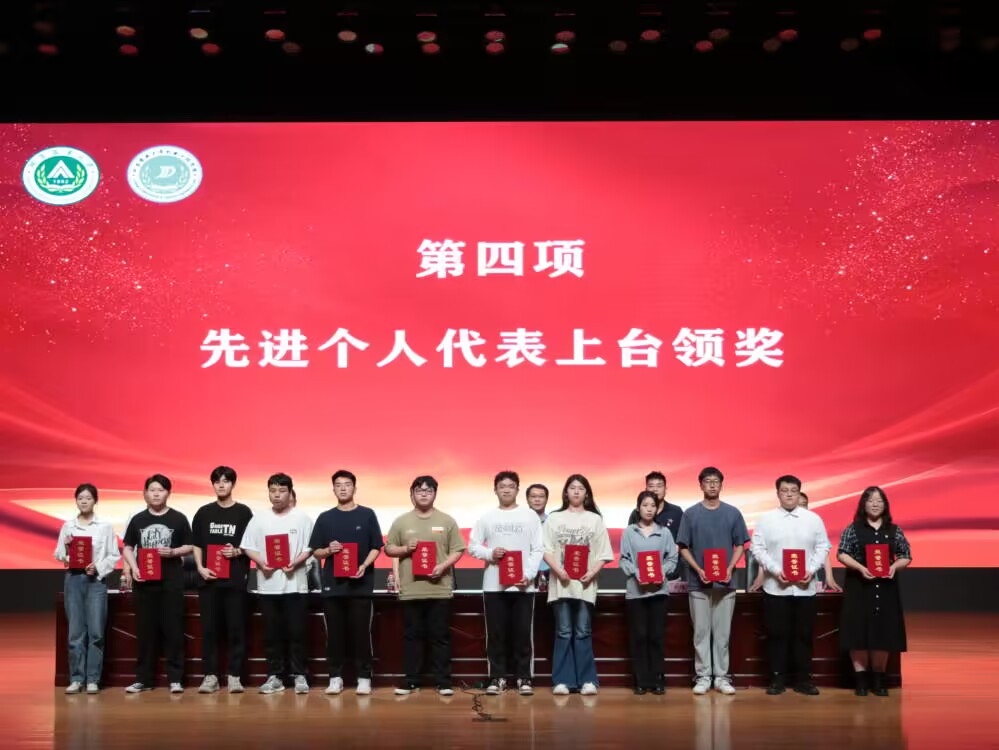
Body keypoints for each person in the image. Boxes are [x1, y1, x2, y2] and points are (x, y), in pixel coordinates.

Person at [750, 475, 831, 696]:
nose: (789, 494)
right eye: (784, 490)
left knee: (803, 634)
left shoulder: (813, 519)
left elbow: (823, 547)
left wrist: (811, 570)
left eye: (793, 491)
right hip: (775, 588)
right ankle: (777, 679)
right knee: (777, 634)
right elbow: (757, 548)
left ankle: (803, 679)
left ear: (799, 492)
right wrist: (775, 570)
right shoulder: (766, 519)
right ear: (777, 493)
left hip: (805, 588)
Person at [385, 476, 465, 696]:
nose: (424, 494)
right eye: (419, 490)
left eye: (429, 490)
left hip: (439, 588)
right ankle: (411, 681)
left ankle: (444, 682)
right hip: (411, 590)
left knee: (440, 637)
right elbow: (389, 548)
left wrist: (443, 566)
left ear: (435, 494)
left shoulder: (447, 520)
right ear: (411, 494)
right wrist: (405, 549)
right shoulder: (401, 521)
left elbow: (458, 549)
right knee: (412, 637)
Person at [469, 471, 544, 696]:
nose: (506, 490)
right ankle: (497, 677)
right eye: (502, 486)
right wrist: (491, 553)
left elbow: (538, 548)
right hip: (494, 586)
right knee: (496, 633)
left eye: (511, 486)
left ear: (517, 490)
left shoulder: (530, 516)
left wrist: (529, 575)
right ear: (495, 490)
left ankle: (524, 677)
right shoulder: (487, 517)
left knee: (523, 633)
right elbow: (473, 546)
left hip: (523, 586)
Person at [676, 467, 749, 695]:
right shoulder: (690, 514)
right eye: (707, 481)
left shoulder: (732, 513)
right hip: (699, 583)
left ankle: (722, 677)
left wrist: (730, 567)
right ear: (701, 485)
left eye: (716, 481)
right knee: (701, 632)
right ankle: (703, 676)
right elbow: (683, 547)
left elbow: (740, 545)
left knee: (722, 634)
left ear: (721, 485)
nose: (712, 485)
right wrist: (698, 569)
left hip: (726, 583)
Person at [309, 470, 383, 696]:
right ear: (333, 489)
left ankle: (364, 677)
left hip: (361, 586)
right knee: (335, 635)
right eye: (338, 485)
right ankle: (335, 677)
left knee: (361, 634)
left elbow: (376, 547)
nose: (343, 488)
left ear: (354, 488)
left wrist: (364, 565)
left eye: (347, 484)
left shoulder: (367, 514)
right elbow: (316, 551)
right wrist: (328, 550)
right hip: (333, 587)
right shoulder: (325, 517)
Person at [240, 473, 314, 695]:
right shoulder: (259, 519)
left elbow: (310, 547)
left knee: (297, 633)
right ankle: (275, 676)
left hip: (296, 586)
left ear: (290, 493)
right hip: (268, 586)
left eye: (282, 491)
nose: (277, 495)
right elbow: (247, 546)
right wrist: (261, 562)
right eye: (273, 491)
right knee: (272, 634)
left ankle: (300, 675)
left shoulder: (302, 518)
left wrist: (296, 562)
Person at [542, 474, 614, 696]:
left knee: (583, 631)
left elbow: (604, 553)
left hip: (585, 585)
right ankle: (562, 681)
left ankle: (587, 680)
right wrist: (559, 571)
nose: (576, 491)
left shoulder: (595, 520)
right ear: (566, 492)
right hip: (561, 583)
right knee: (563, 631)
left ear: (587, 494)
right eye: (572, 488)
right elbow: (545, 550)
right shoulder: (554, 518)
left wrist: (592, 572)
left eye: (580, 488)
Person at [121, 474, 193, 693]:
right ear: (145, 493)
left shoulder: (178, 518)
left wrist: (173, 552)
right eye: (152, 490)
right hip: (144, 584)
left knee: (173, 630)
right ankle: (143, 679)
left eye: (160, 490)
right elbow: (127, 547)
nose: (155, 494)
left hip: (171, 582)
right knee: (145, 632)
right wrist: (134, 567)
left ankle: (175, 679)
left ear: (168, 493)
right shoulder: (138, 519)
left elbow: (190, 546)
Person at [837, 486, 911, 697]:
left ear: (885, 505)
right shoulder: (853, 529)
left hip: (885, 588)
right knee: (858, 632)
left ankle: (878, 679)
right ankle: (861, 680)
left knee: (882, 632)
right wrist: (861, 568)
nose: (875, 504)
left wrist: (894, 567)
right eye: (870, 500)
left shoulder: (894, 530)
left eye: (879, 501)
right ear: (864, 505)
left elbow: (906, 555)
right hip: (858, 587)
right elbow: (842, 553)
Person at [191, 466, 253, 694]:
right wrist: (200, 567)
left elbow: (251, 545)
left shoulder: (244, 513)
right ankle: (210, 677)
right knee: (209, 631)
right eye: (217, 481)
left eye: (226, 481)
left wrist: (237, 551)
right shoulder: (203, 512)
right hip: (209, 581)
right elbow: (197, 544)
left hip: (235, 581)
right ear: (213, 484)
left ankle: (235, 676)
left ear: (232, 484)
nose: (221, 485)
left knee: (236, 629)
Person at [54, 483, 120, 694]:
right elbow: (59, 554)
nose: (84, 501)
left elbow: (114, 555)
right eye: (80, 498)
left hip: (95, 583)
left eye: (88, 498)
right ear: (76, 501)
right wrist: (67, 547)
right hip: (74, 580)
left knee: (96, 633)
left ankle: (93, 679)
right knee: (75, 633)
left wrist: (97, 567)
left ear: (95, 501)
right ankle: (76, 678)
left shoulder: (105, 527)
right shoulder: (68, 526)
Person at [619, 490, 679, 695]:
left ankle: (658, 678)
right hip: (636, 593)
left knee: (656, 636)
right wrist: (638, 573)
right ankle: (641, 679)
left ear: (657, 509)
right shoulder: (629, 532)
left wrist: (661, 572)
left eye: (653, 505)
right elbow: (624, 559)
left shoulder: (665, 532)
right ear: (638, 508)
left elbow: (672, 559)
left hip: (659, 592)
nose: (649, 509)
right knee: (639, 636)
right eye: (645, 505)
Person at [749, 491, 842, 594]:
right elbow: (767, 553)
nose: (801, 508)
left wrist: (829, 577)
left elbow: (823, 552)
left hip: (807, 580)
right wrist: (760, 576)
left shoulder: (814, 522)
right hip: (779, 583)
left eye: (804, 504)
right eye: (799, 505)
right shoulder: (777, 524)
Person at [626, 471, 683, 541]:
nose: (655, 489)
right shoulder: (636, 513)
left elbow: (682, 539)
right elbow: (630, 538)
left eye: (659, 486)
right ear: (646, 490)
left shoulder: (676, 511)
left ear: (665, 489)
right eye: (651, 486)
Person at [526, 483, 551, 585]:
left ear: (546, 499)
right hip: (526, 570)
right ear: (527, 499)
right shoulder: (519, 522)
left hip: (551, 570)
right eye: (533, 496)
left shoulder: (553, 522)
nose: (537, 500)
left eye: (541, 496)